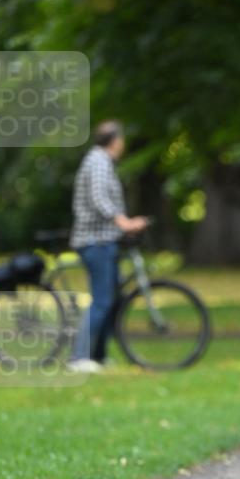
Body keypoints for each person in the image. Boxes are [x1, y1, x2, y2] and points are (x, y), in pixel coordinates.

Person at [68, 120, 148, 372]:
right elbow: (99, 197)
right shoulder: (99, 161)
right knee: (102, 299)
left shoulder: (98, 161)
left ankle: (98, 355)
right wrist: (123, 222)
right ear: (115, 141)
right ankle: (79, 358)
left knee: (111, 299)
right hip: (96, 241)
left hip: (103, 240)